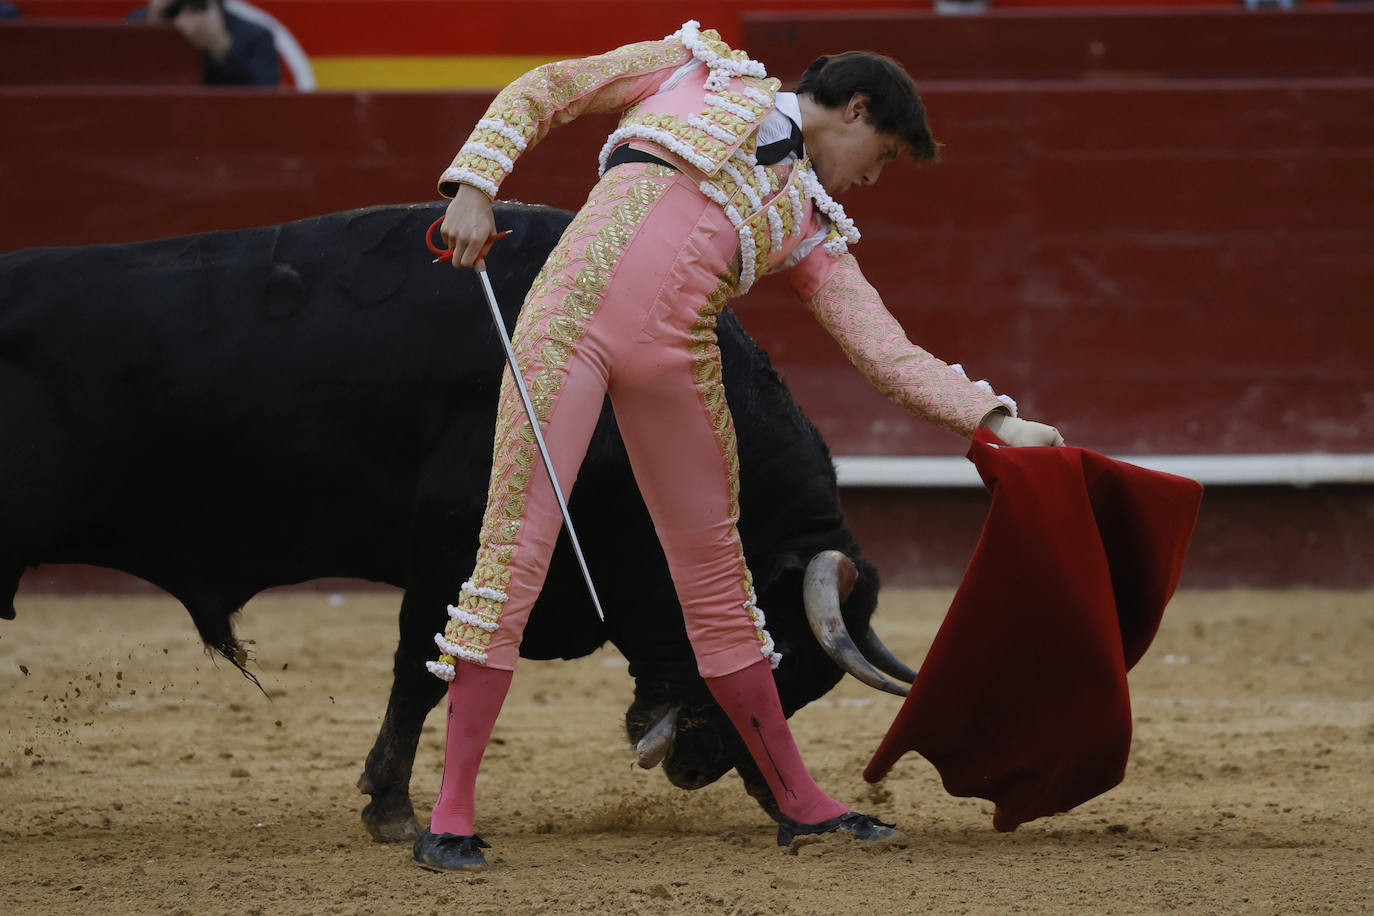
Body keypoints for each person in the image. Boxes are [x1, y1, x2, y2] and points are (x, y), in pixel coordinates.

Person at [419, 20, 1064, 870]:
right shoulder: (697, 72)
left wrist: (993, 420)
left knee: (721, 587)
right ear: (858, 107)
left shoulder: (809, 223)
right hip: (564, 330)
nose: (874, 177)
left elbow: (884, 347)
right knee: (512, 558)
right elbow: (551, 86)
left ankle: (801, 803)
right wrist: (475, 181)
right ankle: (452, 815)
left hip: (675, 366)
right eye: (885, 153)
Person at [127, 0, 279, 87]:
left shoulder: (256, 37)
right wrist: (151, 27)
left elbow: (263, 109)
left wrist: (222, 50)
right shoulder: (137, 21)